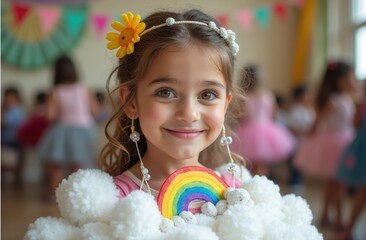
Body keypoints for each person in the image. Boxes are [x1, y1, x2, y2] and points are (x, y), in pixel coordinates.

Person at [100, 9, 245, 201]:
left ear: (225, 105)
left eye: (207, 94)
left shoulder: (236, 195)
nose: (189, 113)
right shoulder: (111, 202)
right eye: (165, 92)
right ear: (131, 101)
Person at [295, 61, 356, 230]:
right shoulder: (334, 100)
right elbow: (317, 123)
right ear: (340, 80)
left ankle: (327, 216)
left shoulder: (347, 98)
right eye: (351, 78)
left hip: (345, 142)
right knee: (337, 185)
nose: (354, 81)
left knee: (335, 185)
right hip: (335, 146)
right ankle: (336, 218)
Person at [37, 55, 100, 201]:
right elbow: (95, 112)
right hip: (84, 129)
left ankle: (54, 195)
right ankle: (78, 196)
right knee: (79, 164)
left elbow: (50, 116)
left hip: (63, 129)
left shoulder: (56, 91)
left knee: (56, 164)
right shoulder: (84, 89)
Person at [231, 65, 295, 176]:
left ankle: (252, 183)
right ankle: (262, 183)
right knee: (261, 165)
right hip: (267, 128)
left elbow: (240, 116)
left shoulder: (243, 96)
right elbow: (274, 115)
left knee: (248, 164)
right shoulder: (268, 95)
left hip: (248, 130)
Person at [336, 80, 366, 240]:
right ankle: (349, 229)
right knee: (362, 190)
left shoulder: (362, 103)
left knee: (362, 191)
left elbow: (355, 124)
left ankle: (349, 229)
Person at [287, 84, 315, 193]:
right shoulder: (295, 109)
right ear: (299, 96)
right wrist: (304, 131)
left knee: (302, 162)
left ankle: (298, 181)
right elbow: (292, 126)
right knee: (296, 162)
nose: (309, 97)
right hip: (297, 141)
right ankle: (294, 181)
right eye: (307, 95)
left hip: (306, 141)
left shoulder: (309, 110)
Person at [1, 86, 27, 185]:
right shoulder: (7, 110)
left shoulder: (17, 111)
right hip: (6, 141)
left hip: (13, 141)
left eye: (11, 97)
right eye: (6, 97)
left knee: (13, 163)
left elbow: (4, 123)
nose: (8, 100)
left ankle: (17, 180)